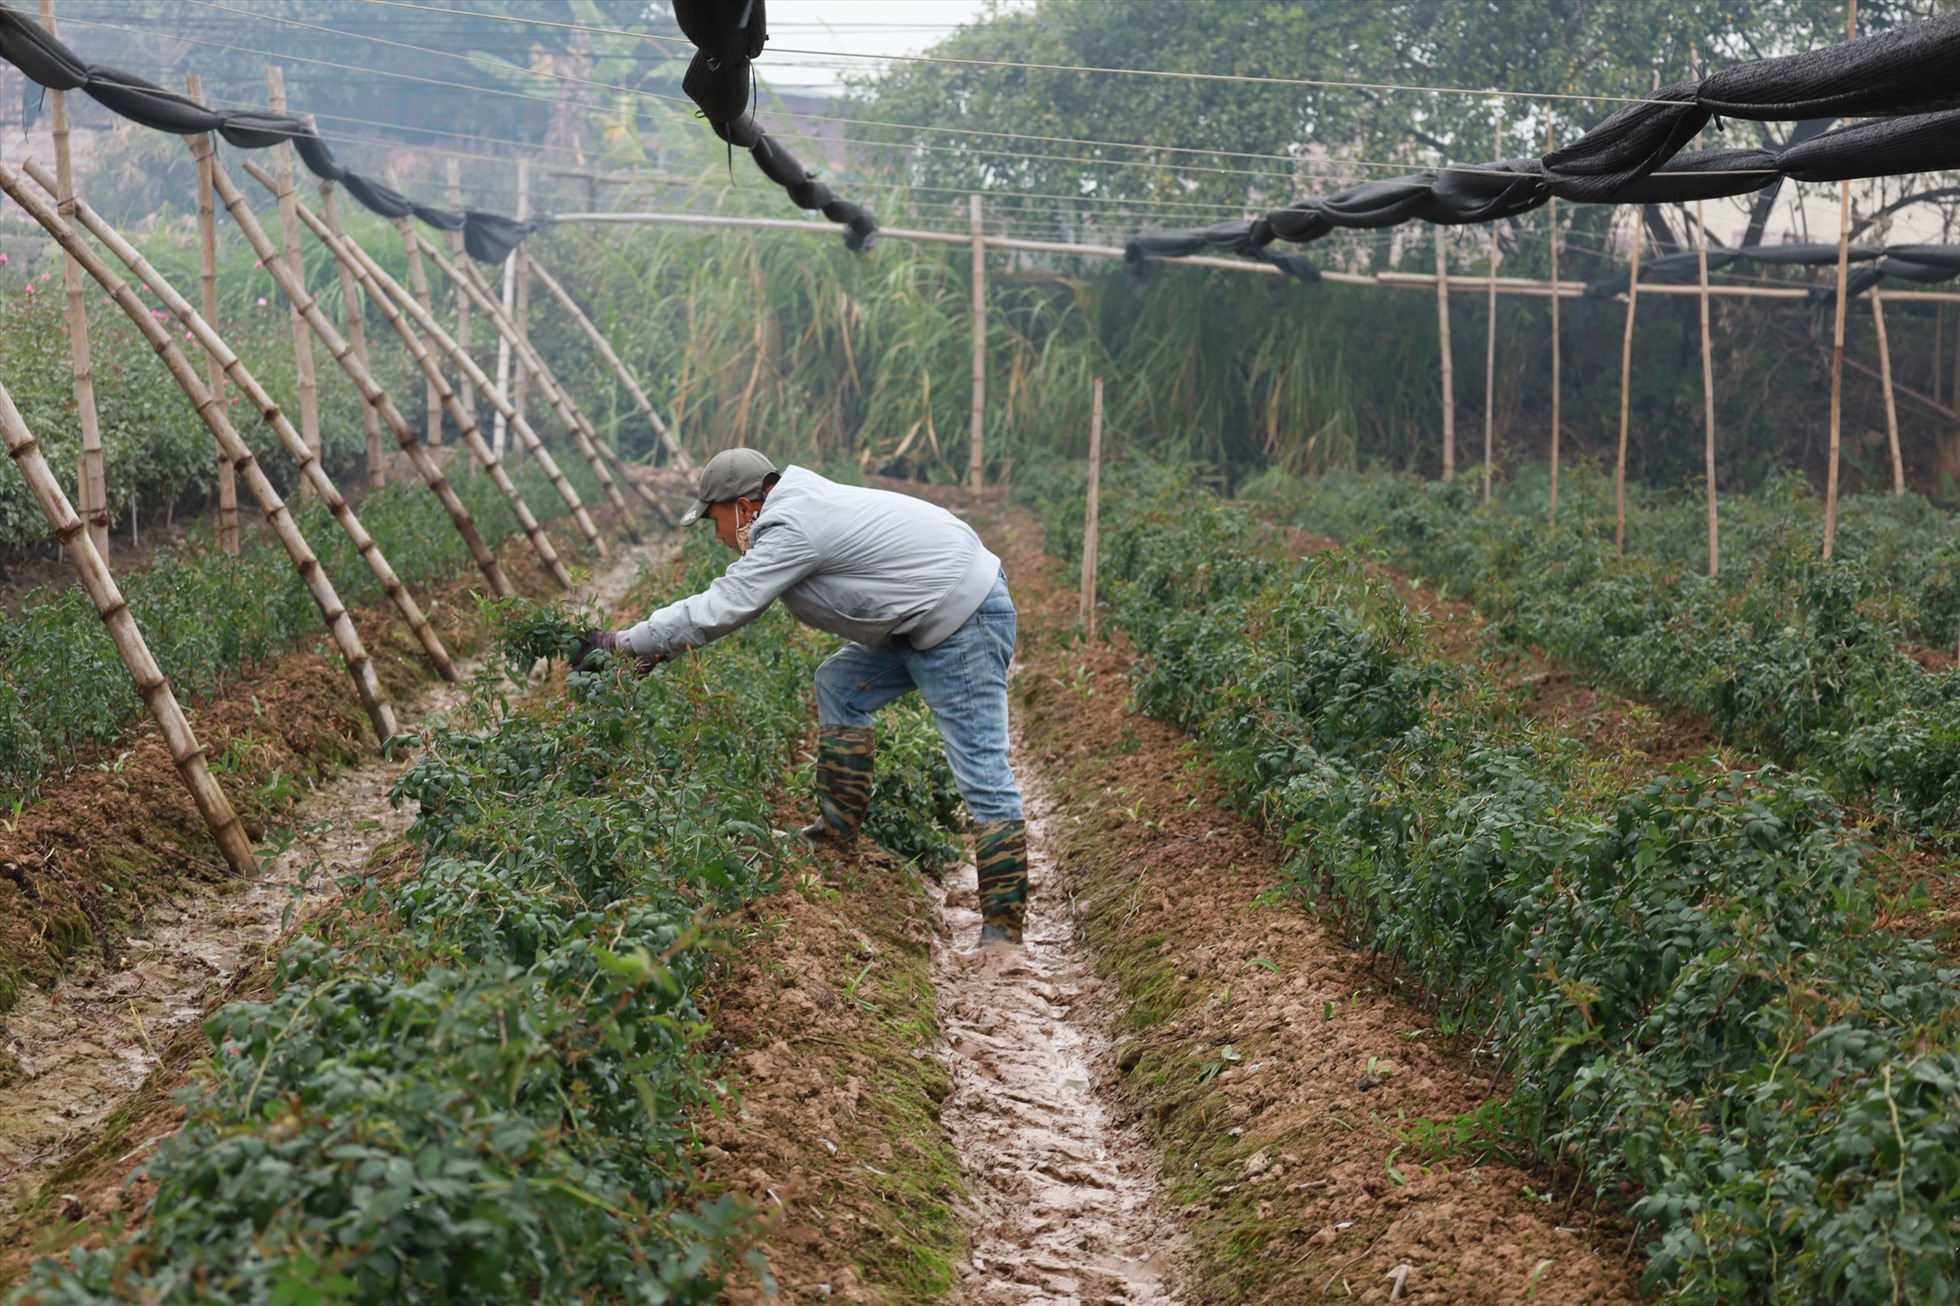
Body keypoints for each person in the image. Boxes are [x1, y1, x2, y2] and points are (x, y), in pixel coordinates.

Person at [587, 448, 1030, 947]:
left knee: (982, 770)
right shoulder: (797, 505)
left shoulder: (790, 526)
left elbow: (726, 606)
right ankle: (836, 836)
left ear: (743, 506)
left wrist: (627, 645)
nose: (717, 536)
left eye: (715, 521)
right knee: (840, 684)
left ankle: (1003, 934)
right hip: (919, 613)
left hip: (961, 618)